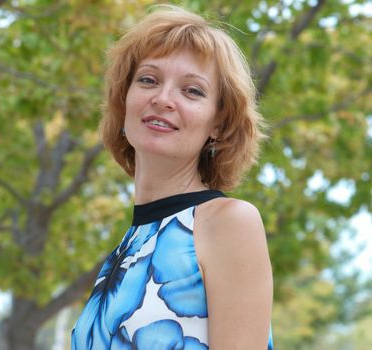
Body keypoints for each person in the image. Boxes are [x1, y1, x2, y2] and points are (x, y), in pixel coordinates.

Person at [71, 5, 273, 349]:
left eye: (192, 91)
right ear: (124, 101)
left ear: (218, 124)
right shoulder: (128, 247)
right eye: (148, 80)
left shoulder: (228, 224)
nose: (162, 99)